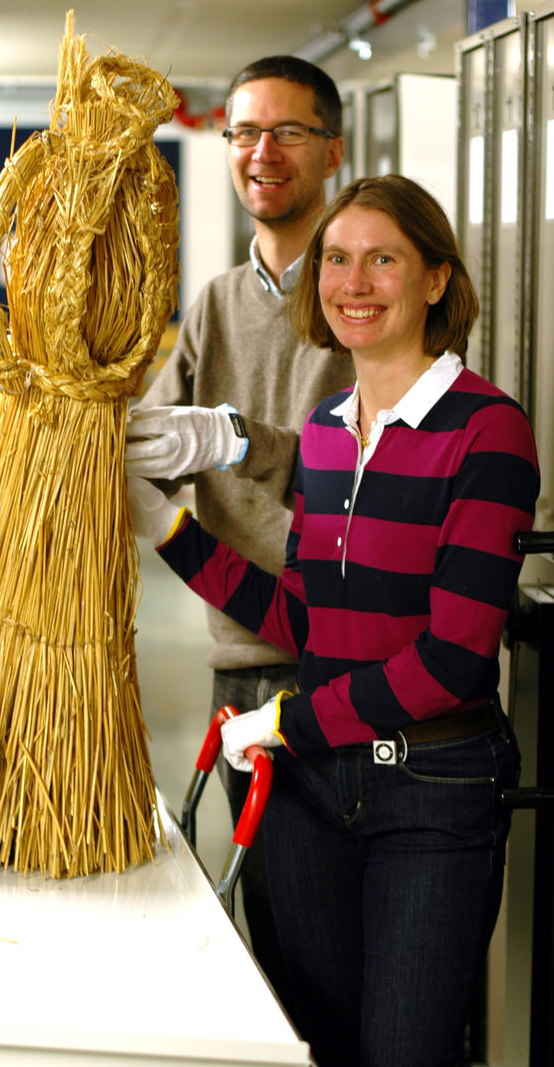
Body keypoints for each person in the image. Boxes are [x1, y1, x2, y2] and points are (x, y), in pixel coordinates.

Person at [126, 174, 540, 1067]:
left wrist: (289, 720)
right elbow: (307, 620)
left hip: (431, 791)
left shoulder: (486, 432)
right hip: (314, 789)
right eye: (338, 261)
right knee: (321, 1043)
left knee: (404, 1049)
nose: (354, 283)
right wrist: (166, 530)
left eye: (383, 259)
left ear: (435, 279)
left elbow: (452, 662)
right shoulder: (325, 430)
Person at [125, 55, 354, 1003]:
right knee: (282, 941)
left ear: (332, 151)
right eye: (244, 133)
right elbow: (159, 444)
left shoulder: (360, 291)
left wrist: (242, 441)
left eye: (288, 132)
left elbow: (378, 483)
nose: (262, 153)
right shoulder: (216, 302)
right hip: (243, 655)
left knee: (345, 953)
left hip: (349, 653)